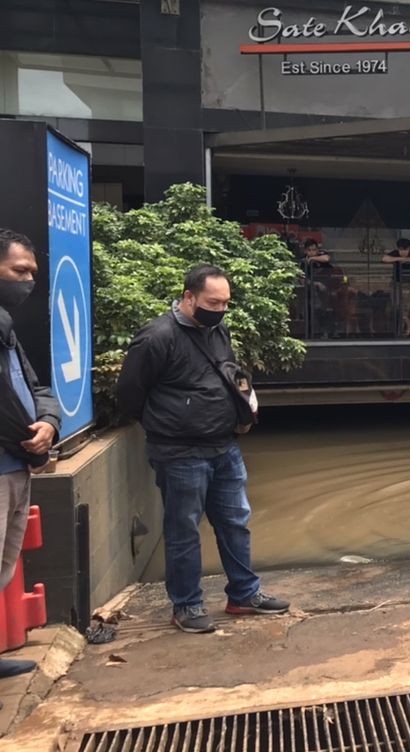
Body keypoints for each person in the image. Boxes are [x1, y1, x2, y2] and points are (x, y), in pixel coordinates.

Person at [116, 265, 289, 634]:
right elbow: (130, 394)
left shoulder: (217, 329)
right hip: (180, 452)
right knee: (183, 530)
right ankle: (187, 604)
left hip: (224, 446)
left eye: (226, 303)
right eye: (213, 302)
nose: (220, 309)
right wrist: (169, 425)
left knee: (235, 523)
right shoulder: (157, 337)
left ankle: (244, 594)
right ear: (189, 297)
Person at [0, 229, 58, 679]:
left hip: (18, 467)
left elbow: (37, 387)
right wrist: (24, 434)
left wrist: (49, 424)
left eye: (32, 273)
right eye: (19, 271)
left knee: (4, 567)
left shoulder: (7, 329)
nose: (28, 281)